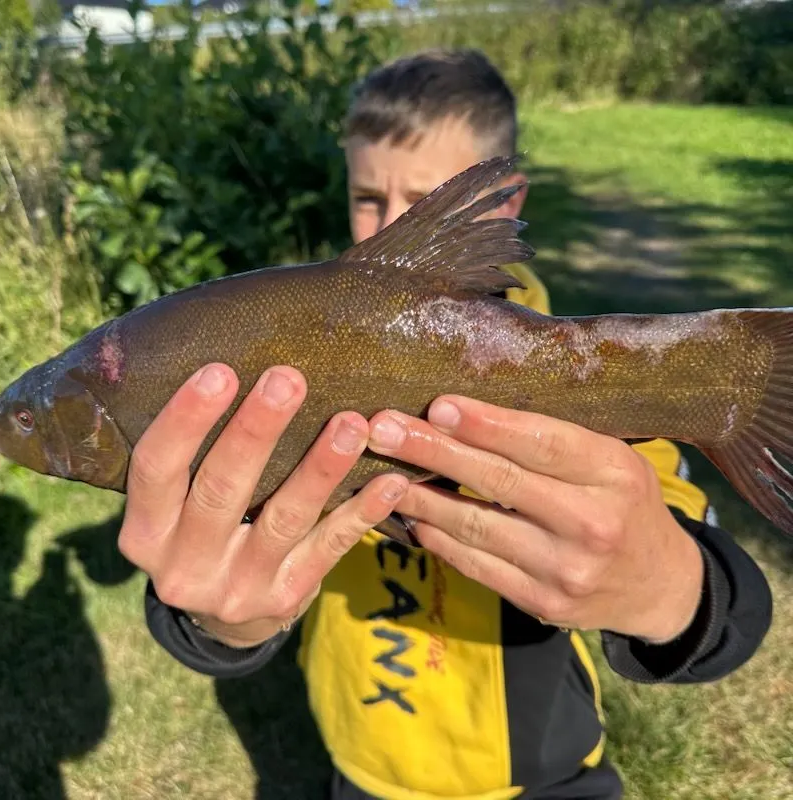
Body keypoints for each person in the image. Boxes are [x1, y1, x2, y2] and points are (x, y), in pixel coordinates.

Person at [118, 50, 773, 799]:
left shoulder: (587, 376)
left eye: (426, 200)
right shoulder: (283, 356)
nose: (390, 225)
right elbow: (209, 556)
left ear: (505, 199)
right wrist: (220, 621)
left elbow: (720, 591)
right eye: (367, 196)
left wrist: (667, 586)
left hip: (537, 774)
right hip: (360, 768)